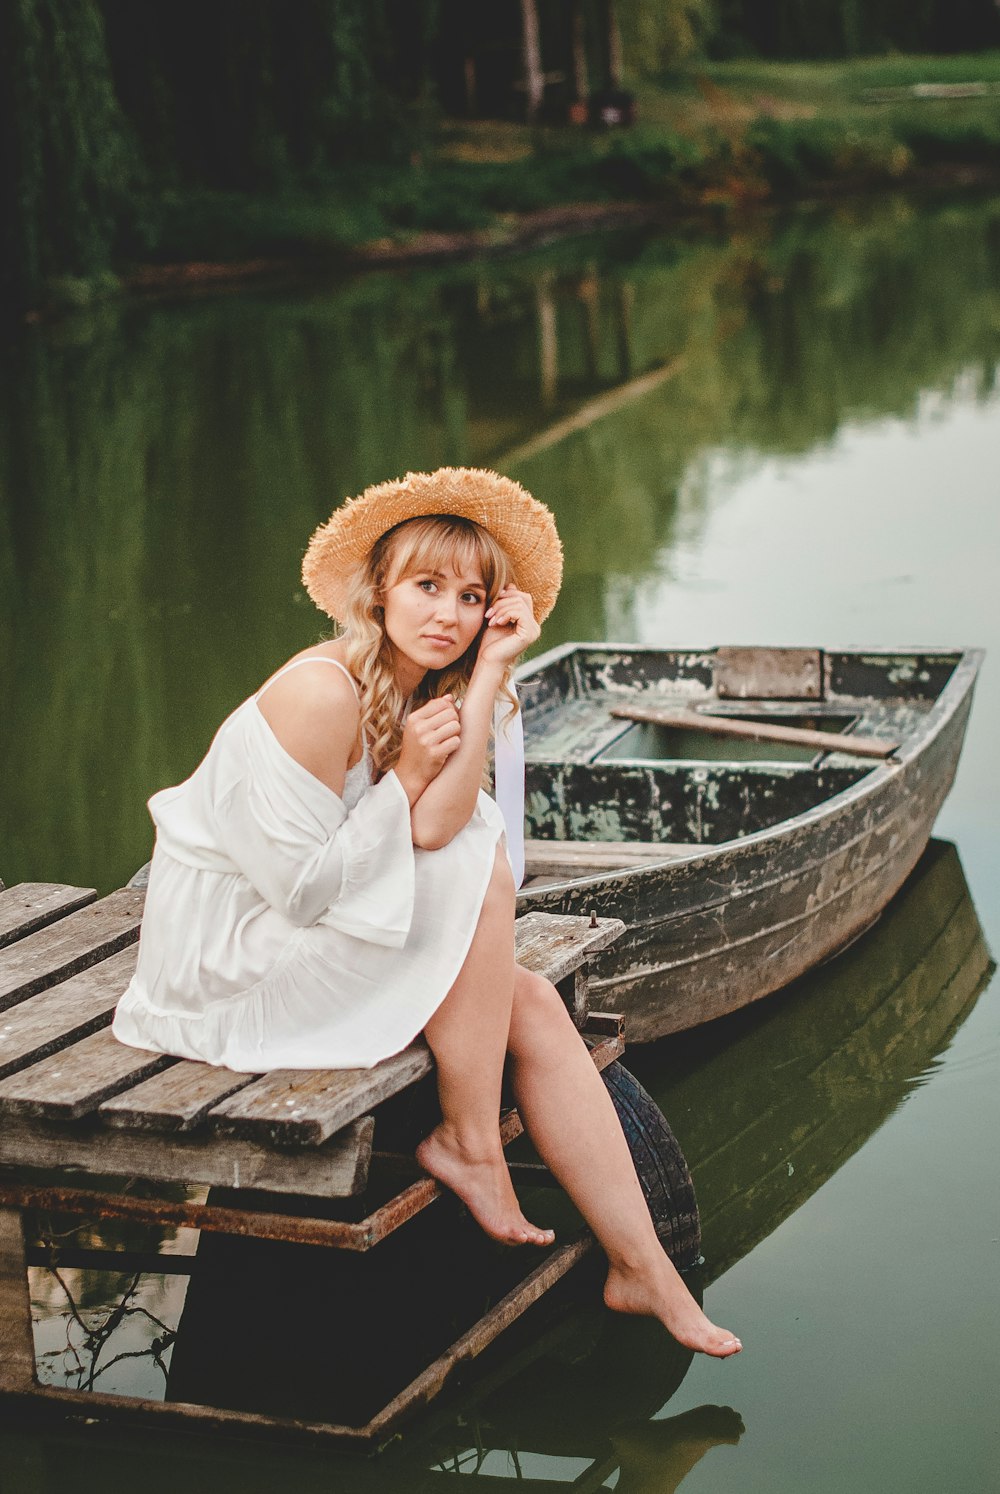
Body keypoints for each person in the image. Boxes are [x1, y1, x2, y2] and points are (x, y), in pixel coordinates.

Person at [113, 466, 742, 1359]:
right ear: (380, 590)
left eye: (470, 596)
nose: (447, 612)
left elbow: (438, 824)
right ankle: (470, 1139)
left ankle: (644, 1272)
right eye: (427, 586)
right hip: (229, 960)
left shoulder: (428, 684)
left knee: (527, 999)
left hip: (308, 923)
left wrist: (486, 679)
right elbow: (303, 888)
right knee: (481, 876)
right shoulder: (320, 692)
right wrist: (404, 774)